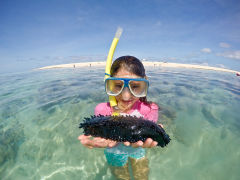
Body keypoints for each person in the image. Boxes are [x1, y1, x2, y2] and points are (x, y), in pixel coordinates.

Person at [78, 56, 160, 180]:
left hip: (137, 150)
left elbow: (149, 135)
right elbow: (99, 134)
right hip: (114, 153)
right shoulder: (102, 110)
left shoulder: (150, 109)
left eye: (135, 86)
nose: (126, 97)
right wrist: (97, 138)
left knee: (142, 177)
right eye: (118, 85)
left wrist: (153, 135)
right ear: (109, 83)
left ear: (144, 84)